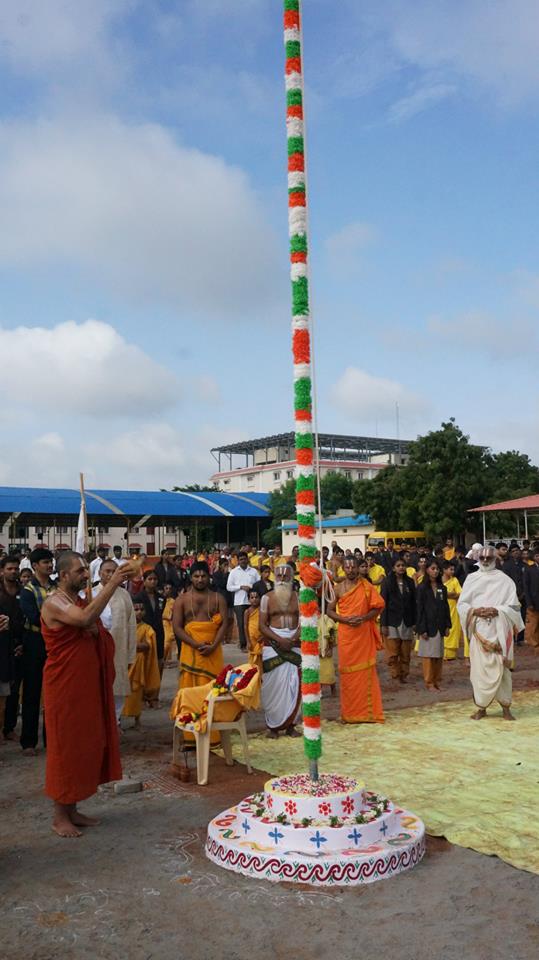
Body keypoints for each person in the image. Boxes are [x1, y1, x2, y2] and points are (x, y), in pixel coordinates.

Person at [40, 552, 135, 838]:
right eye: (80, 571)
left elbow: (93, 625)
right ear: (64, 575)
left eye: (85, 569)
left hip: (84, 683)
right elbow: (84, 619)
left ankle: (72, 808)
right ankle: (59, 816)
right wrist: (113, 582)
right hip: (64, 686)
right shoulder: (54, 602)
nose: (85, 575)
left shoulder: (76, 600)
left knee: (83, 744)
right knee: (65, 747)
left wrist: (96, 632)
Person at [457, 545, 523, 720]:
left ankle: (506, 707)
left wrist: (497, 611)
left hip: (499, 630)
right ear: (478, 559)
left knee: (503, 671)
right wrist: (475, 611)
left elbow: (515, 607)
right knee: (478, 671)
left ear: (495, 560)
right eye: (482, 558)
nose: (485, 561)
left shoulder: (505, 580)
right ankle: (481, 707)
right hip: (479, 631)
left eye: (489, 558)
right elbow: (462, 605)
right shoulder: (471, 579)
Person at [171, 561, 227, 745]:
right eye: (196, 576)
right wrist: (195, 644)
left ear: (209, 576)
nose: (200, 579)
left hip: (213, 651)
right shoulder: (182, 600)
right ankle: (189, 737)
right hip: (191, 652)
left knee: (213, 692)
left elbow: (225, 624)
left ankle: (213, 736)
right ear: (191, 577)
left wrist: (213, 645)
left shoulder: (218, 598)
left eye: (203, 576)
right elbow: (177, 628)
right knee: (190, 692)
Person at [328, 556, 385, 723]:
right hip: (346, 636)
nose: (351, 570)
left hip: (363, 634)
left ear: (358, 568)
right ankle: (350, 714)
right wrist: (344, 620)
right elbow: (329, 611)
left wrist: (364, 618)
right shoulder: (338, 589)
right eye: (348, 567)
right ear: (343, 569)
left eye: (354, 567)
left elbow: (378, 606)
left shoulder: (367, 587)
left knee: (365, 672)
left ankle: (368, 714)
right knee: (347, 675)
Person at [18, 547, 55, 755]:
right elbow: (32, 617)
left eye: (50, 561)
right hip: (34, 641)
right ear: (34, 566)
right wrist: (55, 620)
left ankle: (51, 739)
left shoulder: (56, 587)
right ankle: (29, 742)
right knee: (32, 692)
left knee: (53, 693)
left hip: (53, 643)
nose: (49, 565)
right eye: (45, 562)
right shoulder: (28, 591)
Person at [258, 564, 301, 738]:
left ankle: (291, 725)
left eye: (286, 576)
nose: (282, 580)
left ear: (292, 578)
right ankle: (273, 727)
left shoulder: (299, 598)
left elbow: (305, 620)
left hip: (294, 644)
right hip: (274, 646)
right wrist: (280, 640)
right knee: (273, 686)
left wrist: (293, 638)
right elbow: (262, 625)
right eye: (279, 576)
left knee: (296, 685)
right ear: (274, 578)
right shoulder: (266, 598)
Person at [94, 558, 137, 723]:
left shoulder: (124, 595)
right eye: (107, 571)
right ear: (99, 574)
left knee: (118, 685)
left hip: (119, 648)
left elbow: (131, 624)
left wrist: (130, 653)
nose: (111, 575)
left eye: (115, 571)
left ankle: (115, 720)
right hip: (97, 648)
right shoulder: (91, 593)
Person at [122, 598, 160, 727]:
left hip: (139, 664)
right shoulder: (124, 627)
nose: (138, 612)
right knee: (121, 693)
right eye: (136, 609)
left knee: (137, 693)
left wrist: (133, 646)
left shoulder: (146, 628)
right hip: (125, 663)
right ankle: (118, 722)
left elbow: (148, 645)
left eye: (141, 610)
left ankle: (137, 721)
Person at [416, 560, 452, 691]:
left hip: (440, 625)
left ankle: (437, 680)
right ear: (427, 570)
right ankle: (429, 682)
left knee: (438, 655)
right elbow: (419, 609)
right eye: (432, 568)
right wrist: (421, 628)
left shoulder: (442, 588)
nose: (435, 571)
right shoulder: (421, 588)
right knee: (428, 656)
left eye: (437, 569)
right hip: (427, 626)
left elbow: (446, 607)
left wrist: (448, 625)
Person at [0, 556, 25, 741]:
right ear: (2, 570)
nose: (14, 571)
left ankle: (9, 727)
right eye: (10, 568)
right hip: (1, 646)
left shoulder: (23, 592)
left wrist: (21, 643)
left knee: (14, 690)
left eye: (16, 568)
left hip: (19, 645)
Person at [380, 557, 416, 684]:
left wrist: (415, 622)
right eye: (398, 565)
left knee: (405, 651)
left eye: (403, 565)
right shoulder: (387, 582)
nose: (401, 567)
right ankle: (394, 675)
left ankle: (404, 675)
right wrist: (383, 624)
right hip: (391, 621)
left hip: (407, 621)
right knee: (393, 651)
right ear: (393, 568)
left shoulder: (410, 582)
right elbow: (383, 604)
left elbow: (414, 603)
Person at [136, 570, 165, 695]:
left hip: (158, 633)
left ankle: (154, 695)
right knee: (144, 664)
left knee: (158, 663)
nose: (153, 582)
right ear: (144, 580)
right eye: (150, 579)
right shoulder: (137, 597)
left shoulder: (161, 598)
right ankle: (143, 694)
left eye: (155, 579)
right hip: (143, 633)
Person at [226, 551, 259, 651]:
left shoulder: (253, 571)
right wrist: (240, 587)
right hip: (239, 602)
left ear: (247, 559)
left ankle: (254, 643)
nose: (243, 561)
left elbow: (259, 584)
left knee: (253, 623)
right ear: (238, 561)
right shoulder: (234, 572)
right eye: (241, 559)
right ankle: (243, 645)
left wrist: (252, 588)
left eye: (244, 559)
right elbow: (229, 587)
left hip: (252, 602)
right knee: (241, 624)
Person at [502, 544, 526, 644]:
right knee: (511, 616)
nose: (516, 552)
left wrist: (524, 593)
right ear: (510, 553)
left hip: (523, 594)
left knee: (522, 616)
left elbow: (526, 580)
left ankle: (520, 638)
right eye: (513, 551)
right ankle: (511, 637)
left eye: (517, 550)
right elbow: (505, 581)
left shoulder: (524, 564)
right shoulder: (506, 565)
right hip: (511, 595)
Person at [442, 561, 463, 660]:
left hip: (453, 609)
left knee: (453, 629)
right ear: (444, 570)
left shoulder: (454, 580)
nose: (453, 571)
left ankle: (450, 654)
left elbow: (460, 594)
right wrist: (450, 594)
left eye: (453, 569)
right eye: (451, 569)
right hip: (440, 608)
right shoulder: (438, 580)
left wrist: (447, 594)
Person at [318, 601, 337, 696]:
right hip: (314, 651)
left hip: (326, 649)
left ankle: (333, 689)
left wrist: (330, 649)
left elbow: (332, 633)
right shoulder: (308, 620)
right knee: (317, 673)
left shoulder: (325, 619)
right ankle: (318, 692)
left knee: (329, 673)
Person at [523, 546, 539, 649]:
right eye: (537, 556)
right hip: (534, 601)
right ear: (533, 557)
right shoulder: (529, 569)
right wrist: (529, 603)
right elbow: (526, 586)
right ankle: (535, 645)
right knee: (533, 625)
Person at [162, 582, 177, 665]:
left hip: (171, 623)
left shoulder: (173, 601)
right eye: (166, 588)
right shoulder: (161, 599)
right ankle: (163, 660)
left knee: (170, 640)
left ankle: (167, 660)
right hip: (164, 622)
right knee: (166, 641)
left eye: (170, 589)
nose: (168, 590)